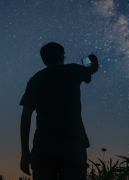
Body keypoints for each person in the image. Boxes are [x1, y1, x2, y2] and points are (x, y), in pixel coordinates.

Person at [19, 42, 99, 180]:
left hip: (43, 147)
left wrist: (25, 152)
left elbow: (26, 115)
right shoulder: (73, 70)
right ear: (62, 56)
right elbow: (93, 68)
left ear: (44, 60)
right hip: (73, 147)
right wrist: (94, 61)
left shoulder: (35, 79)